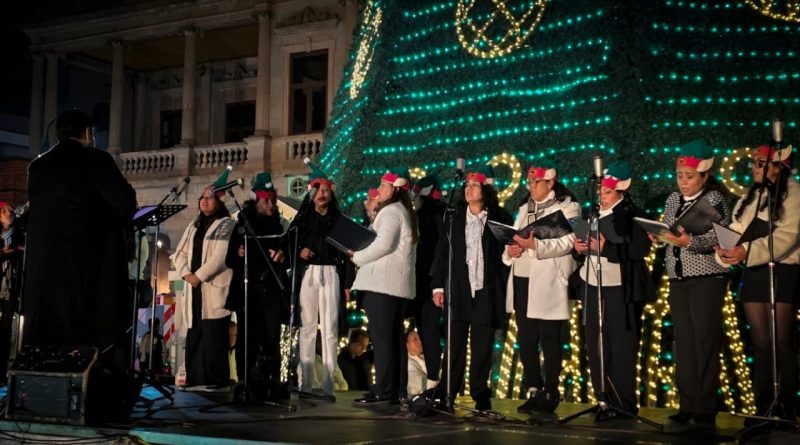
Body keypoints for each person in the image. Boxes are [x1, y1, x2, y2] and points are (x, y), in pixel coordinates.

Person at [23, 109, 137, 368]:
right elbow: (125, 203)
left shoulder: (37, 167)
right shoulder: (96, 159)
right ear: (87, 133)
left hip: (44, 268)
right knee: (87, 331)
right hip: (86, 265)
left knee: (49, 332)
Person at [716, 144, 800, 421]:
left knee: (781, 341)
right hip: (753, 272)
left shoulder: (794, 193)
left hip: (781, 270)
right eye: (753, 162)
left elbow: (788, 235)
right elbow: (737, 228)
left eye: (760, 163)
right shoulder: (751, 196)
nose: (754, 167)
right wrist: (725, 249)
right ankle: (764, 404)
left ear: (779, 167)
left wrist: (748, 251)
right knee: (761, 342)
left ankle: (785, 405)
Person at [573, 160, 656, 420]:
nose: (602, 196)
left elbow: (640, 249)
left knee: (621, 346)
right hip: (592, 284)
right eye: (601, 192)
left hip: (621, 288)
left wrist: (605, 248)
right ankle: (603, 399)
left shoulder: (632, 214)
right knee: (597, 345)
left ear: (621, 191)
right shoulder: (592, 214)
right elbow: (586, 247)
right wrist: (580, 249)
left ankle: (623, 403)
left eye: (607, 192)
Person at [659, 141, 731, 425]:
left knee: (704, 340)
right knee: (685, 341)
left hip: (707, 278)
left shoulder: (714, 199)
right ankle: (687, 403)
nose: (683, 182)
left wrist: (689, 241)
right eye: (680, 176)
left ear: (704, 175)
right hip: (678, 278)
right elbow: (669, 230)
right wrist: (660, 235)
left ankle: (705, 406)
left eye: (689, 177)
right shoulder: (672, 200)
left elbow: (720, 237)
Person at [431, 165, 512, 411]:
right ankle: (447, 392)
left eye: (474, 186)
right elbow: (442, 252)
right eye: (467, 186)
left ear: (486, 190)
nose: (469, 189)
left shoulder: (500, 217)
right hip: (459, 288)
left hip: (486, 289)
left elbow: (506, 253)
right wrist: (438, 286)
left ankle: (480, 395)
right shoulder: (454, 217)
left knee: (482, 346)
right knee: (454, 344)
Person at [503, 160, 579, 414]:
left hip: (548, 279)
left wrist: (536, 246)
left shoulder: (567, 206)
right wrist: (511, 250)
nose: (531, 186)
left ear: (550, 181)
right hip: (523, 276)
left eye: (536, 182)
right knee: (526, 338)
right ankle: (533, 389)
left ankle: (551, 390)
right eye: (529, 182)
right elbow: (514, 236)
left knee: (549, 338)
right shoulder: (525, 207)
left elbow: (568, 242)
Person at [350, 166, 418, 405]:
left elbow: (384, 244)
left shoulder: (391, 211)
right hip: (394, 286)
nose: (378, 190)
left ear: (395, 189)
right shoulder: (402, 211)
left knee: (382, 339)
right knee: (393, 339)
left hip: (383, 285)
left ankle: (384, 389)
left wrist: (357, 257)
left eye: (383, 185)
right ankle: (396, 389)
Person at [289, 164, 352, 400]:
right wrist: (299, 252)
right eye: (319, 190)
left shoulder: (338, 219)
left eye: (326, 190)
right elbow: (289, 241)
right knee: (307, 327)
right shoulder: (303, 218)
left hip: (331, 272)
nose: (322, 194)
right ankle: (305, 383)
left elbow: (348, 253)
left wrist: (347, 283)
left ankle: (328, 384)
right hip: (309, 273)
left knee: (329, 329)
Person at [225, 171, 290, 399]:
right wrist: (238, 253)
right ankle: (246, 380)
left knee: (271, 336)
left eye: (273, 201)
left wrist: (282, 256)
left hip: (271, 290)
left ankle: (271, 379)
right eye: (266, 201)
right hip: (248, 289)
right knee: (247, 336)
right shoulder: (243, 225)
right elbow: (229, 260)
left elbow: (288, 255)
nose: (271, 205)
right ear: (256, 201)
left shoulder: (279, 225)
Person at [172, 170, 236, 389]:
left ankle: (214, 381)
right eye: (202, 197)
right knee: (195, 333)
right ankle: (195, 379)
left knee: (213, 336)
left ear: (219, 201)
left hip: (212, 288)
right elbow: (179, 253)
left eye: (210, 197)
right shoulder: (194, 225)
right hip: (193, 289)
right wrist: (185, 273)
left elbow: (220, 257)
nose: (205, 200)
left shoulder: (226, 224)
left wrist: (198, 276)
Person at [410, 175, 446, 392]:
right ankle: (434, 379)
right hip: (428, 282)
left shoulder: (428, 217)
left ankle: (434, 380)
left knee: (429, 332)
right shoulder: (440, 216)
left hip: (427, 283)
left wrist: (437, 284)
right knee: (428, 332)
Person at [0, 201, 24, 382]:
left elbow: (22, 252)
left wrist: (14, 251)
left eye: (10, 211)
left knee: (5, 328)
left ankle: (2, 369)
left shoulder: (18, 234)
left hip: (10, 286)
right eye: (4, 211)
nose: (9, 214)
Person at [406, 330, 427, 397]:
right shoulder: (407, 364)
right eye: (415, 339)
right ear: (406, 345)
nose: (420, 341)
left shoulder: (423, 358)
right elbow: (424, 385)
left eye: (420, 338)